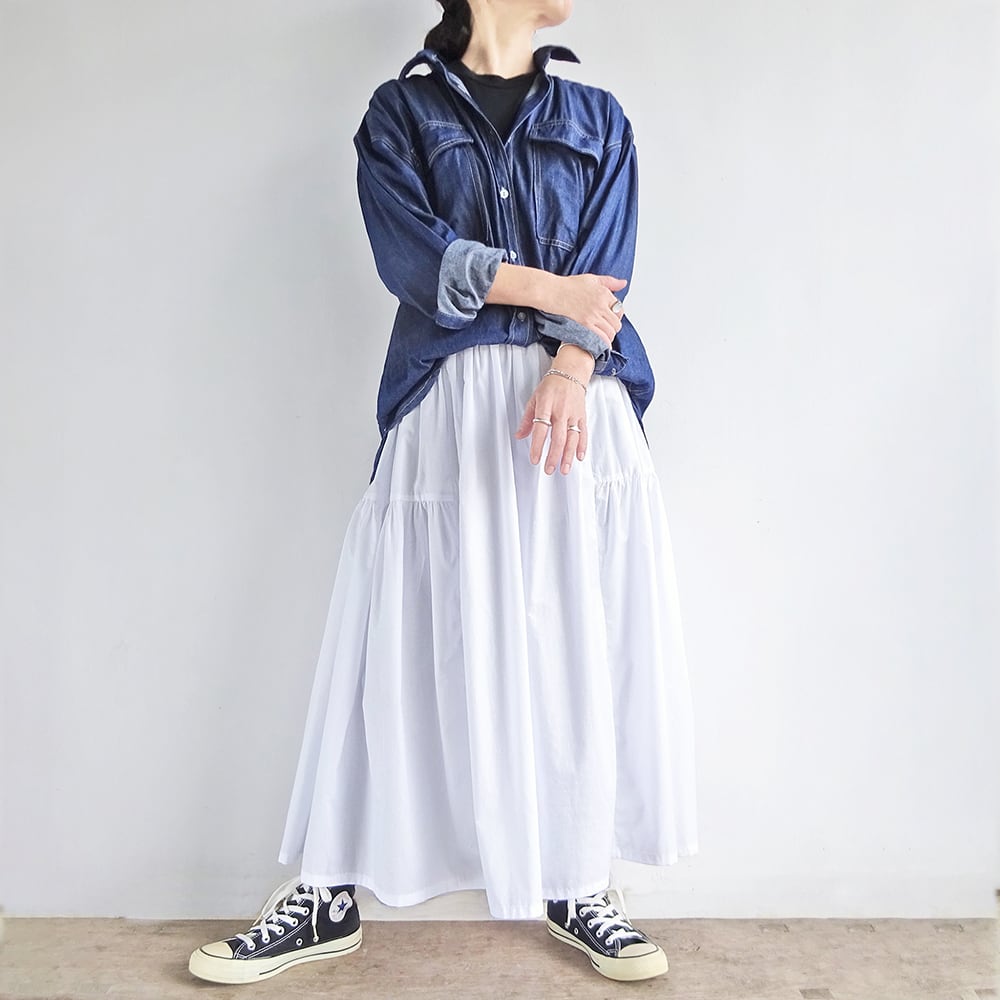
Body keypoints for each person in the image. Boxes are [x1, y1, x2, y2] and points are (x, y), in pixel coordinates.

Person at [188, 0, 697, 985]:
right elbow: (415, 260)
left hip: (576, 408)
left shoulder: (598, 118)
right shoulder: (400, 115)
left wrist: (570, 363)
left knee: (577, 635)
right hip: (447, 407)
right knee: (395, 641)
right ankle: (327, 887)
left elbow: (606, 272)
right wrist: (551, 292)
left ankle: (578, 879)